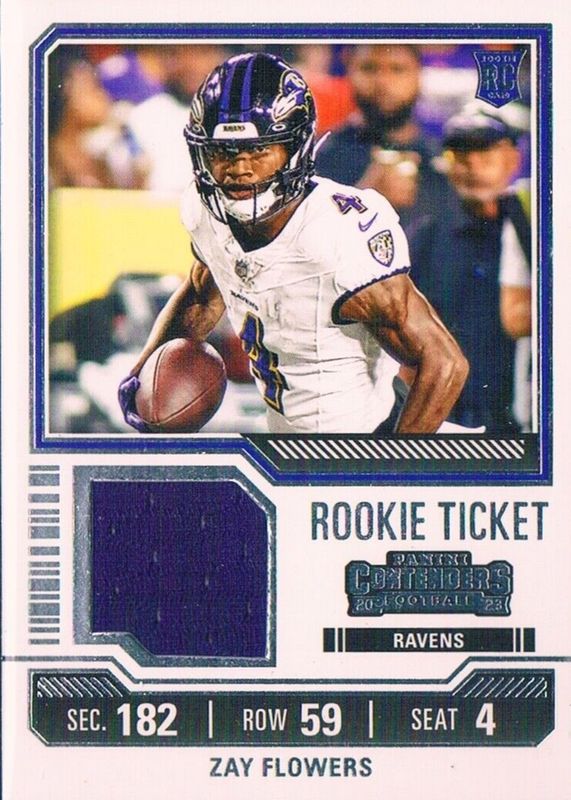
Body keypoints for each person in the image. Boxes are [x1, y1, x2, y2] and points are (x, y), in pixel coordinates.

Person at [119, 52, 468, 435]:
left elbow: (443, 361)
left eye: (259, 150)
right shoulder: (206, 210)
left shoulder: (335, 234)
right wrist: (144, 369)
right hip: (289, 439)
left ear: (294, 148)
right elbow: (203, 295)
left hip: (368, 438)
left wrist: (393, 461)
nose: (239, 168)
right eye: (221, 151)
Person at [409, 107, 532, 432]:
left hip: (524, 409)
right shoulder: (427, 238)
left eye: (486, 154)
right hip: (453, 416)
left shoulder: (533, 232)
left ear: (512, 159)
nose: (474, 167)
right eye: (461, 155)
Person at [316, 44, 450, 227]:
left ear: (419, 75)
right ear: (349, 70)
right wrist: (364, 201)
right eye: (369, 68)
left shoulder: (445, 160)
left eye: (397, 69)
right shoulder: (319, 156)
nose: (383, 82)